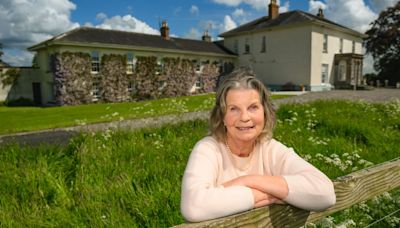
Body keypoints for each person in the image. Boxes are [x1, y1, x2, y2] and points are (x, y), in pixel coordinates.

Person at [180, 68, 336, 222]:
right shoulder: (208, 149)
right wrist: (266, 194)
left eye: (253, 107)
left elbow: (325, 194)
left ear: (265, 112)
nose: (245, 117)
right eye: (234, 109)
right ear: (222, 117)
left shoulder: (269, 148)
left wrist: (249, 181)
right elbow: (193, 207)